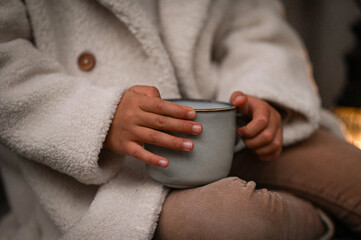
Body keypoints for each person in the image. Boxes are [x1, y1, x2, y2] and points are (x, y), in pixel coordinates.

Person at [0, 0, 360, 239]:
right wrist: (100, 118)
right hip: (107, 179)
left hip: (232, 132)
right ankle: (325, 220)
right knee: (237, 219)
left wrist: (264, 97)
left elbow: (253, 28)